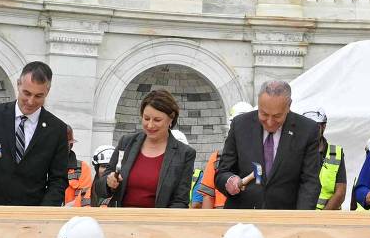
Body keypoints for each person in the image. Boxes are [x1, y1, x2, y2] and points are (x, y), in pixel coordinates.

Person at [0, 61, 79, 207]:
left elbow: (58, 180)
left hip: (32, 218)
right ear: (18, 84)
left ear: (47, 92)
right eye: (26, 93)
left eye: (38, 96)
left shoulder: (57, 129)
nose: (30, 101)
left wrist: (41, 215)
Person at [212, 79, 324, 211]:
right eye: (264, 114)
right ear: (258, 103)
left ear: (289, 106)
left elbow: (310, 182)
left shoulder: (307, 130)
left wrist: (300, 220)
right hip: (243, 216)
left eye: (277, 116)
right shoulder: (240, 125)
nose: (270, 122)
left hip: (285, 217)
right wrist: (229, 180)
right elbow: (223, 172)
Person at [97, 88, 195, 208]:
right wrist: (108, 183)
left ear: (171, 119)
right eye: (146, 118)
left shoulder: (185, 153)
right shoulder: (126, 142)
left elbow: (180, 201)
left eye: (157, 120)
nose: (150, 125)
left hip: (158, 222)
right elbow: (99, 188)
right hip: (121, 219)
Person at [303, 108, 348, 209]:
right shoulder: (296, 151)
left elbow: (340, 192)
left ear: (324, 126)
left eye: (316, 127)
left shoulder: (336, 153)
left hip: (329, 218)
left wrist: (322, 217)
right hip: (303, 216)